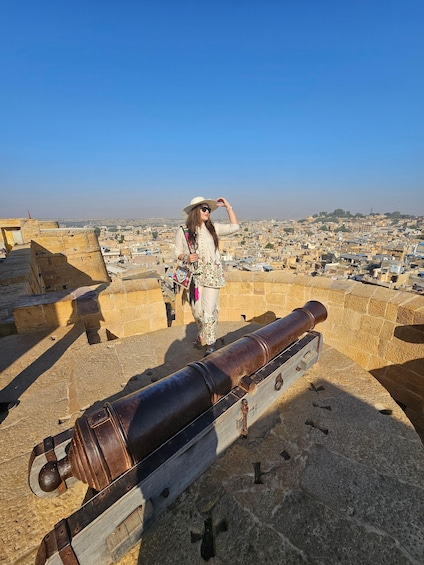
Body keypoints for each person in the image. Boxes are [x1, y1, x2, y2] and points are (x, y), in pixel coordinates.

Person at [175, 196, 239, 355]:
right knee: (197, 311)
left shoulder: (213, 228)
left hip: (212, 276)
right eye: (204, 209)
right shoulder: (184, 231)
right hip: (195, 278)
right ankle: (202, 333)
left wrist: (228, 206)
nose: (207, 212)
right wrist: (185, 257)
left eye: (209, 209)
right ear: (195, 211)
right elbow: (177, 251)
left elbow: (234, 227)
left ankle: (210, 343)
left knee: (209, 310)